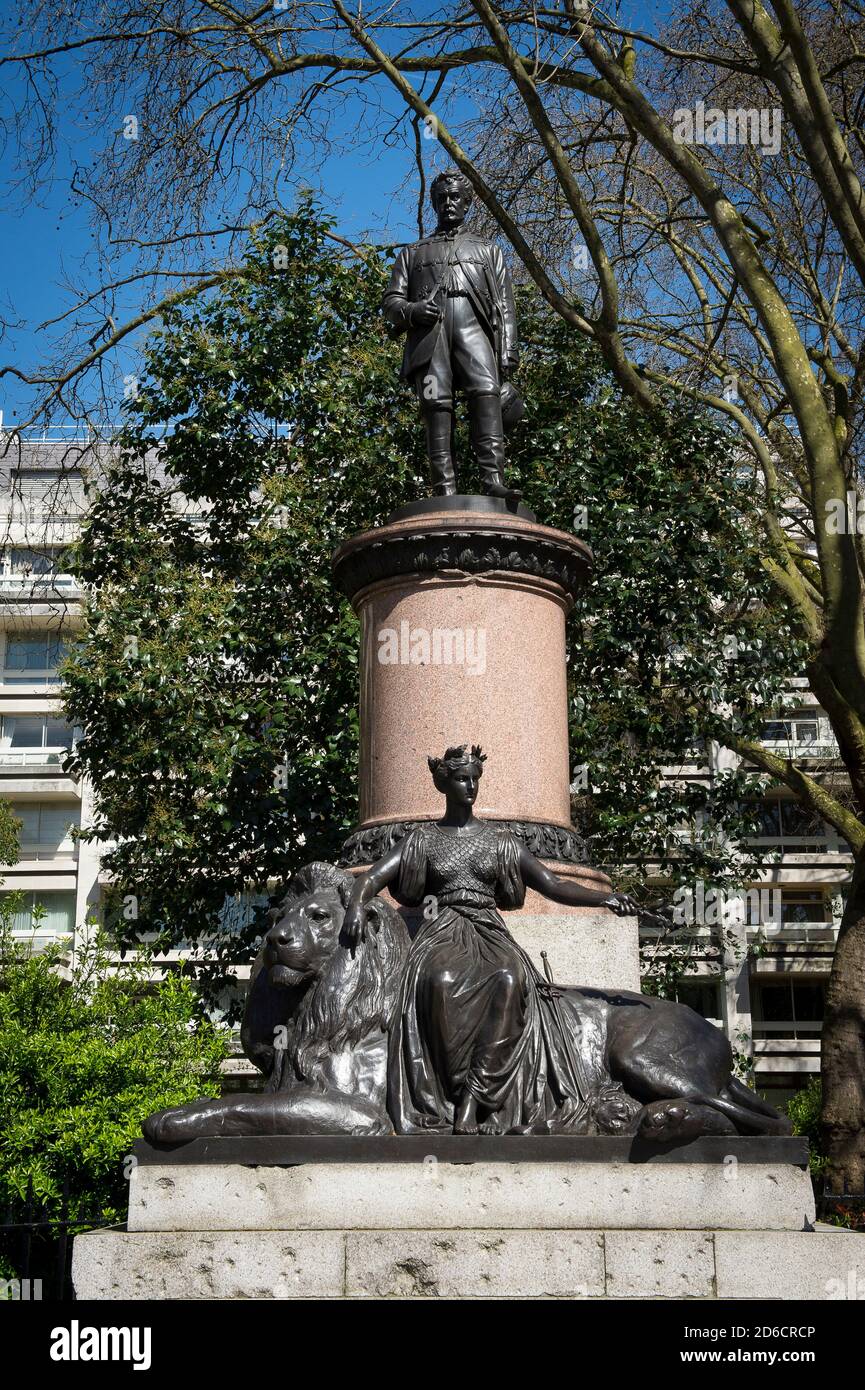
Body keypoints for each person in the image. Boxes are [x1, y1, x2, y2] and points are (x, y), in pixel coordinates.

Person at [343, 744, 636, 1135]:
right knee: (440, 983)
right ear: (444, 785)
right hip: (443, 928)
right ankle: (448, 1093)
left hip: (489, 930)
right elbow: (372, 878)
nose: (470, 787)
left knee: (510, 979)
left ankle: (474, 1100)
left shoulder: (502, 841)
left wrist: (606, 898)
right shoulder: (422, 840)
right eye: (462, 780)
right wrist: (355, 906)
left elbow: (552, 883)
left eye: (474, 780)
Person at [382, 169, 522, 500]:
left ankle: (492, 480)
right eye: (442, 198)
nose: (448, 203)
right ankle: (443, 488)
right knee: (436, 405)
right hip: (430, 337)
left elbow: (504, 304)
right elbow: (391, 302)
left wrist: (508, 349)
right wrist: (413, 311)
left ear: (468, 202)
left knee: (487, 392)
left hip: (474, 330)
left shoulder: (489, 250)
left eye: (455, 197)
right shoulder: (413, 252)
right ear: (433, 203)